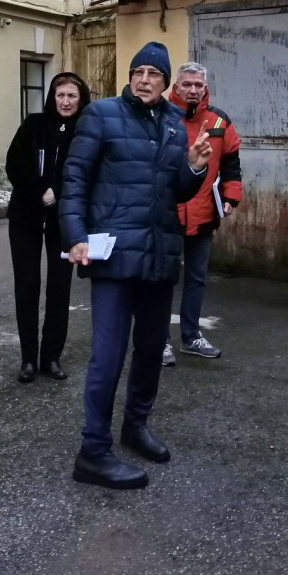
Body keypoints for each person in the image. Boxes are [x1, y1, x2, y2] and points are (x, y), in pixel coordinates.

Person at [60, 42, 212, 489]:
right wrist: (75, 236)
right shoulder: (101, 114)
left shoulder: (173, 122)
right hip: (112, 255)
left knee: (149, 351)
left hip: (159, 253)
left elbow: (175, 190)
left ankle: (135, 425)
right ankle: (93, 451)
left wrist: (194, 168)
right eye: (138, 71)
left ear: (166, 82)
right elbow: (75, 178)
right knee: (107, 356)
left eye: (153, 73)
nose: (144, 79)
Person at [5, 71, 91, 383]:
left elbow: (87, 171)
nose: (65, 101)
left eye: (72, 96)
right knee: (26, 286)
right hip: (25, 217)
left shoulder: (85, 131)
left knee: (59, 288)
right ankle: (28, 358)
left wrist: (59, 191)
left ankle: (51, 356)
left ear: (81, 99)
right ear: (52, 98)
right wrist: (41, 190)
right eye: (60, 95)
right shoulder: (33, 124)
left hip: (63, 221)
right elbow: (15, 164)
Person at [163, 61, 242, 364]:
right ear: (176, 86)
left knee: (196, 279)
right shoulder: (163, 116)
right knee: (162, 279)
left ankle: (191, 336)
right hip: (166, 213)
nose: (193, 90)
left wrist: (231, 196)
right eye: (187, 84)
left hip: (204, 211)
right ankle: (159, 340)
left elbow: (231, 161)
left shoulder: (219, 121)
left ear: (205, 87)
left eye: (198, 85)